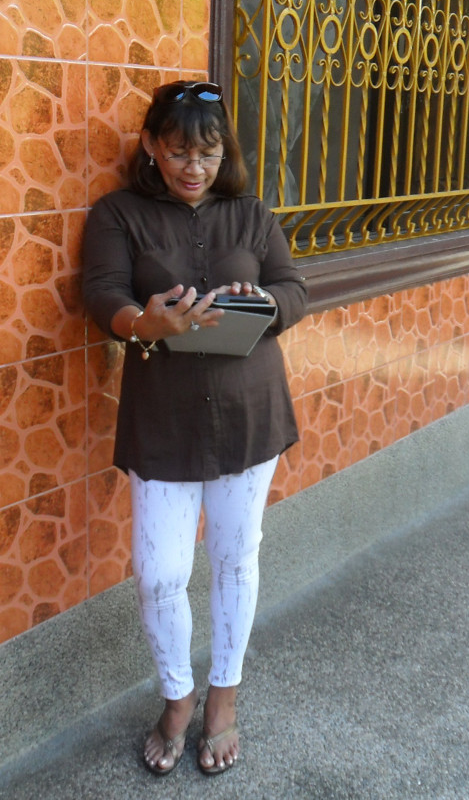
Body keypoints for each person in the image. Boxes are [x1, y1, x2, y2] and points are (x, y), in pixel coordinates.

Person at [82, 80, 307, 776]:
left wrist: (261, 300)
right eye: (179, 151)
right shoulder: (119, 213)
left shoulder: (251, 213)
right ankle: (176, 698)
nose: (194, 167)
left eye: (208, 153)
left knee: (236, 558)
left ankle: (222, 701)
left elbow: (295, 289)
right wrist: (144, 322)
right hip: (163, 420)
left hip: (248, 413)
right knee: (160, 575)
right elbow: (100, 291)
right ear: (152, 145)